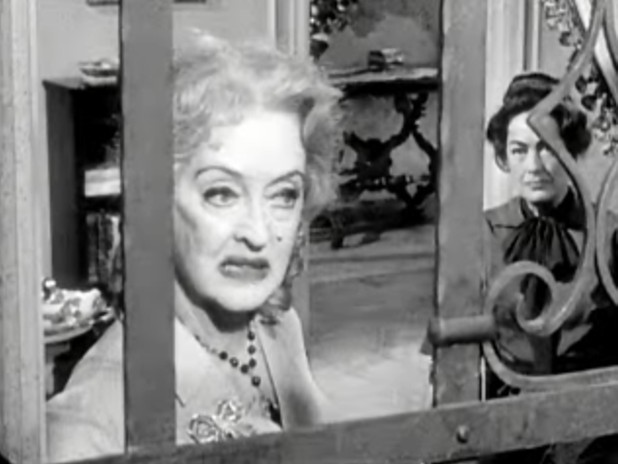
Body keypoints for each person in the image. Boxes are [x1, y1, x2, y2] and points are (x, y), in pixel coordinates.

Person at [46, 34, 342, 462]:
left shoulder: (277, 328)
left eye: (283, 195)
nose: (258, 233)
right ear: (155, 201)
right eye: (221, 193)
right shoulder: (95, 419)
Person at [482, 72, 618, 463]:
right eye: (519, 150)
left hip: (590, 425)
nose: (533, 165)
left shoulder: (609, 235)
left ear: (570, 150)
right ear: (504, 158)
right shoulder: (483, 232)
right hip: (507, 420)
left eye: (546, 148)